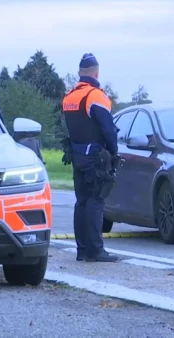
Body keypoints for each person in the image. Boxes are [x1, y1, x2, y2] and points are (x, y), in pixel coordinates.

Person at [61, 53, 119, 262]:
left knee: (82, 202)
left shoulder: (69, 96)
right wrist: (114, 151)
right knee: (96, 201)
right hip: (95, 157)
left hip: (77, 156)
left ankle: (82, 250)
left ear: (79, 72)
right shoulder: (95, 96)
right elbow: (108, 129)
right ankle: (96, 251)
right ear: (96, 72)